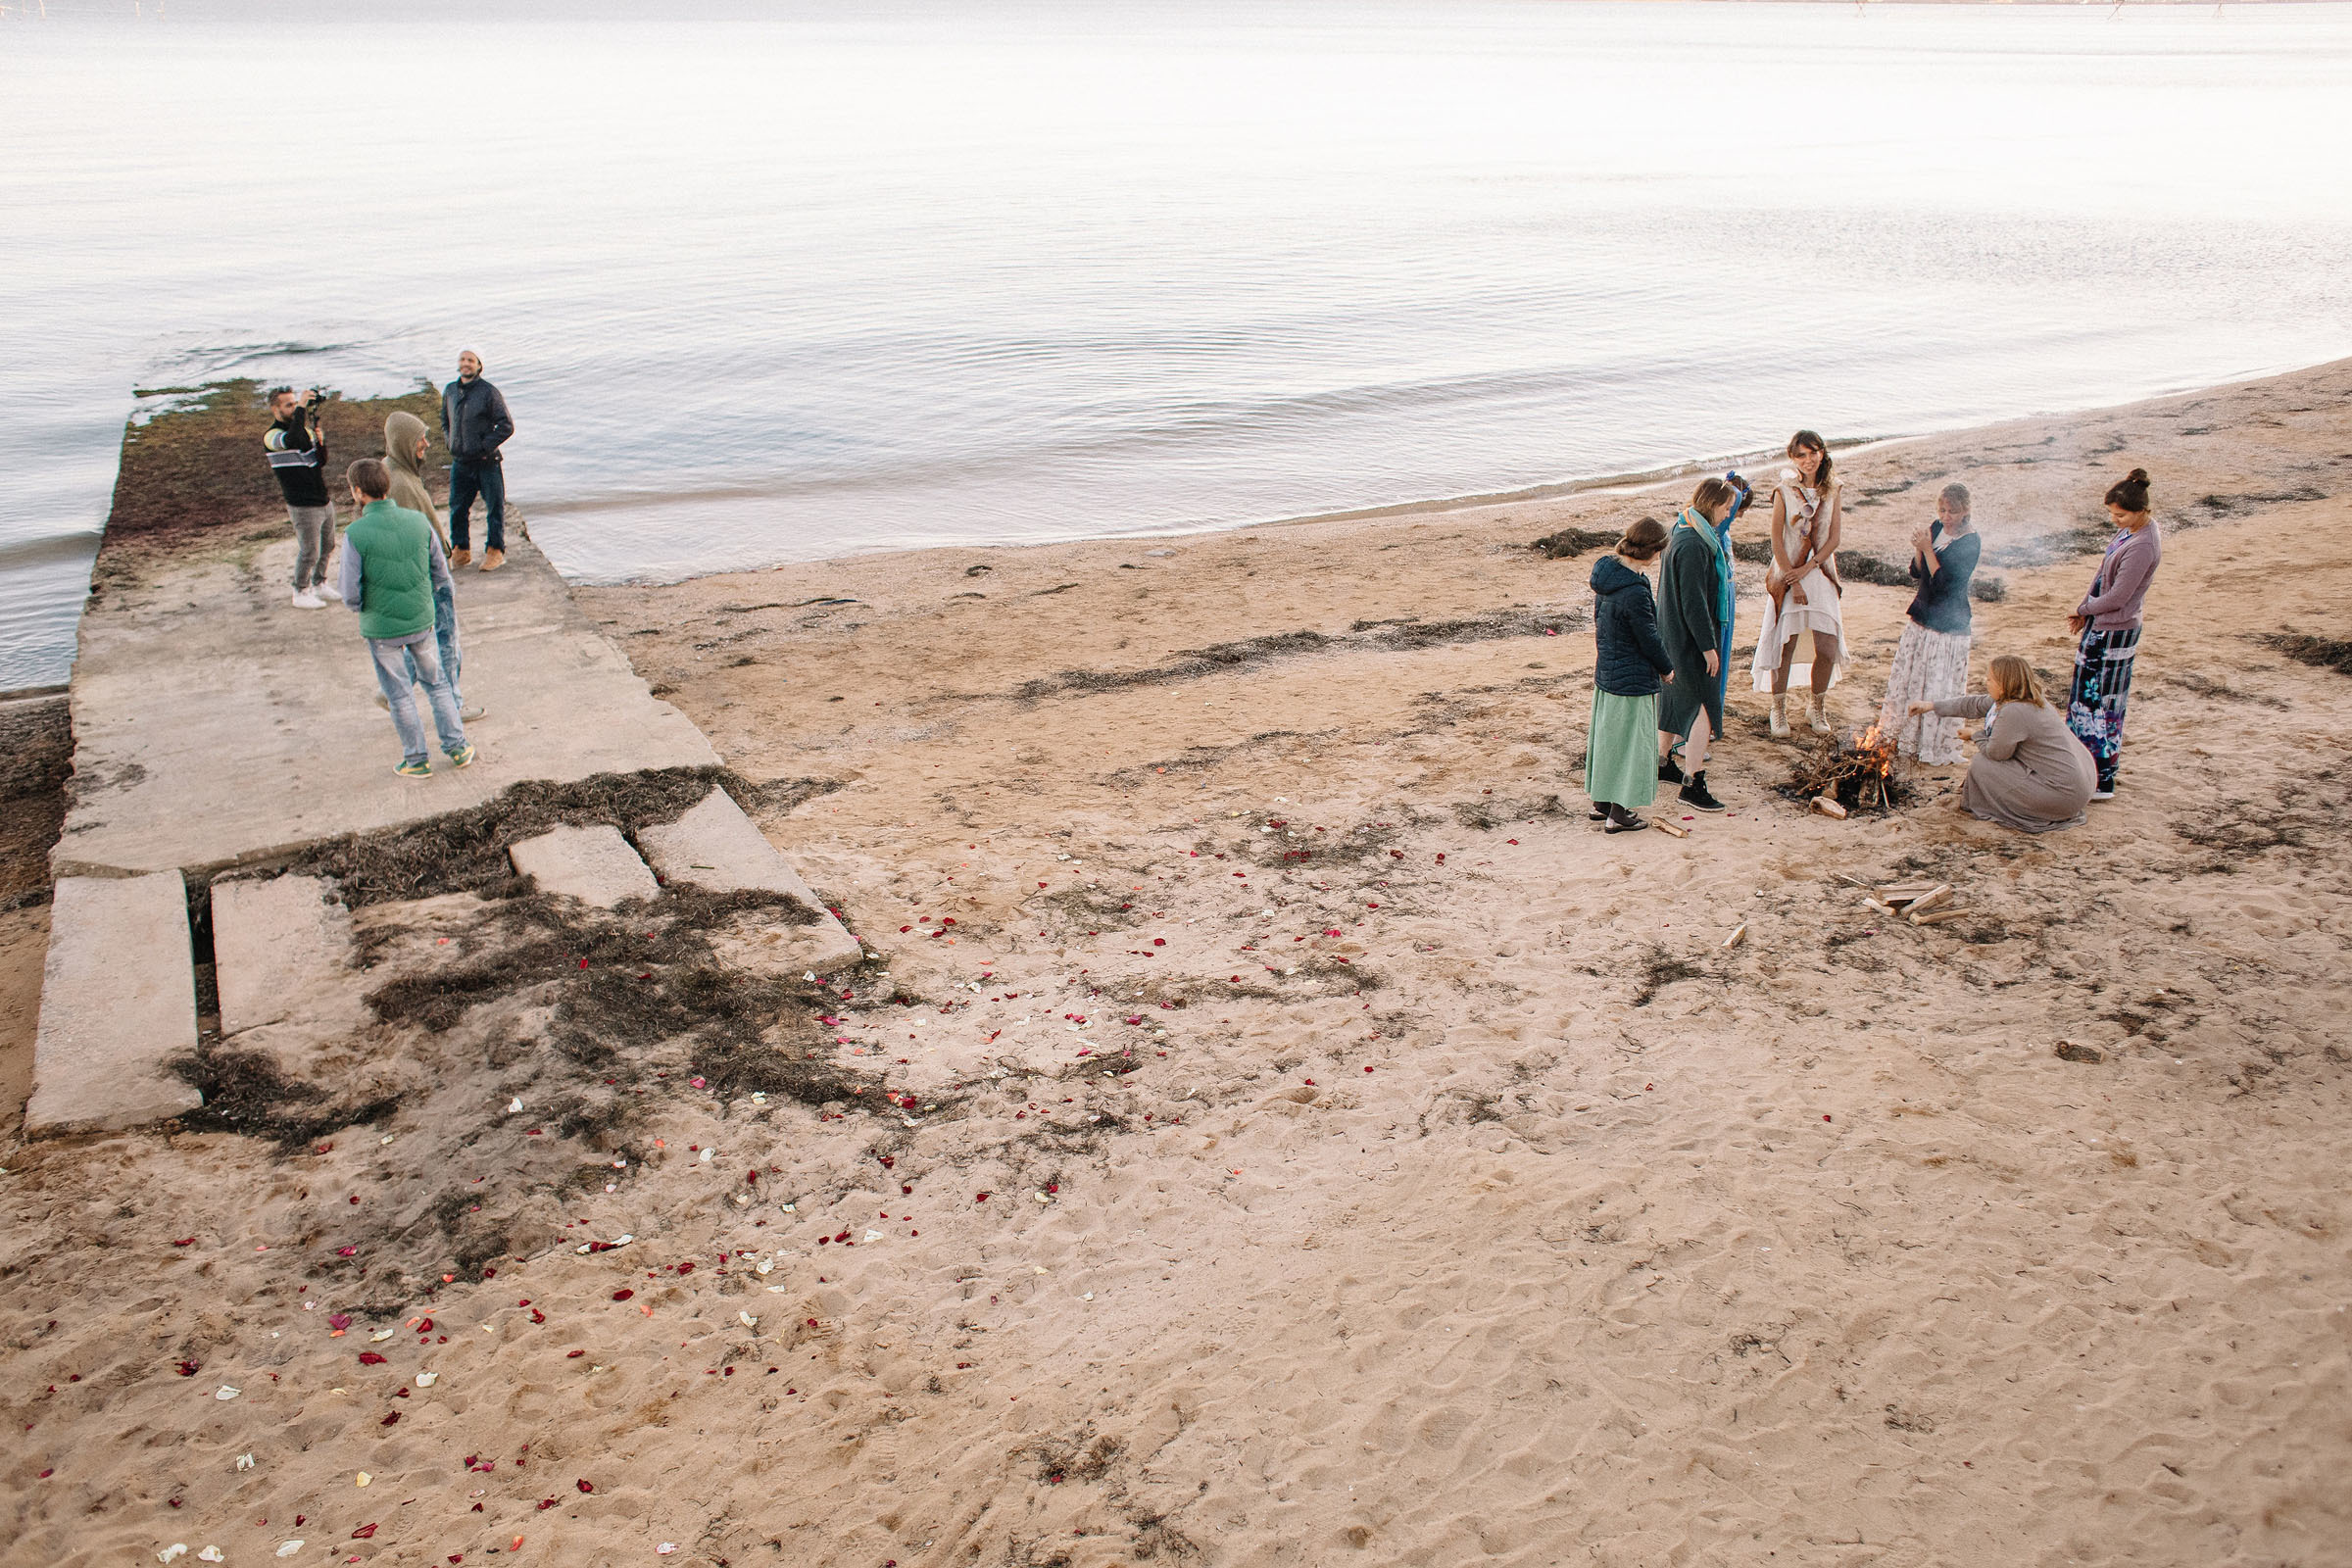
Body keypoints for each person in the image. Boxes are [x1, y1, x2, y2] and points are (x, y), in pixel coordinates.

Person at [336, 459, 475, 778]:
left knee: (399, 696)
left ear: (358, 492)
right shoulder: (418, 522)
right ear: (387, 486)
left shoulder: (355, 533)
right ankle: (458, 748)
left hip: (382, 629)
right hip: (421, 620)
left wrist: (365, 607)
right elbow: (441, 574)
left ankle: (416, 761)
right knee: (437, 685)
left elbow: (349, 593)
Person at [1909, 654, 2093, 833]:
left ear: (2004, 685)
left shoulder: (2014, 711)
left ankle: (2002, 807)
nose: (1986, 682)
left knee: (1982, 765)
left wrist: (1975, 735)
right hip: (2080, 785)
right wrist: (1931, 706)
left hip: (2063, 794)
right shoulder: (2029, 697)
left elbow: (1996, 753)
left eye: (1990, 679)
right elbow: (1974, 704)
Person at [2066, 467, 2161, 801]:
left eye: (2120, 515)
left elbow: (2119, 596)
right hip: (2099, 625)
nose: (2114, 520)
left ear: (2141, 511)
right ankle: (2081, 770)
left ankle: (2102, 778)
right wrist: (2083, 610)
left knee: (2101, 706)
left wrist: (2084, 610)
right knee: (2082, 701)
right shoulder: (2128, 534)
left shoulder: (2143, 545)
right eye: (2111, 514)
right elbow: (2101, 577)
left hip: (2115, 632)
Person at [383, 411, 485, 722]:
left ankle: (391, 690)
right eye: (420, 439)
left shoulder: (402, 472)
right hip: (427, 576)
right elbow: (406, 538)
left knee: (427, 642)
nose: (426, 443)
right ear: (404, 442)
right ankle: (453, 704)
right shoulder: (398, 482)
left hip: (428, 573)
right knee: (445, 642)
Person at [1876, 480, 1982, 764]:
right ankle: (1907, 737)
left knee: (1936, 684)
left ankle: (1932, 744)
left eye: (1952, 512)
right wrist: (1919, 548)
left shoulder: (1971, 542)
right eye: (1942, 510)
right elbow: (1916, 572)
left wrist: (1929, 549)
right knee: (1910, 679)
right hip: (1922, 616)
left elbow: (1945, 584)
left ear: (1965, 511)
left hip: (1948, 624)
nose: (1946, 516)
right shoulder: (1936, 528)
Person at [1585, 517, 1676, 834]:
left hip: (1608, 670)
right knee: (1632, 744)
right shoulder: (1634, 590)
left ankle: (1602, 802)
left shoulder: (1609, 575)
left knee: (1608, 740)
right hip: (1633, 677)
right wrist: (1666, 668)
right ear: (1652, 552)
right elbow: (1648, 637)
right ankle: (1619, 814)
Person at [1751, 430, 1844, 737]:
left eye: (1813, 452)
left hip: (1820, 571)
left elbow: (1833, 539)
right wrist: (1792, 574)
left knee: (1828, 647)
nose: (1808, 460)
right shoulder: (1784, 491)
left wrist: (1809, 568)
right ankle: (1778, 707)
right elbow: (1776, 539)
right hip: (1787, 571)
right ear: (1792, 458)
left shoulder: (1833, 488)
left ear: (1822, 452)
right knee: (1785, 644)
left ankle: (1816, 705)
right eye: (1801, 455)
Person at [1657, 478, 1739, 813]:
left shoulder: (1683, 528)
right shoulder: (1694, 543)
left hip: (1671, 632)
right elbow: (1694, 602)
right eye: (1724, 508)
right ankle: (1693, 782)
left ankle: (1662, 763)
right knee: (1703, 704)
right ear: (1711, 505)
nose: (1726, 515)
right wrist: (1708, 647)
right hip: (1688, 638)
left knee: (1673, 698)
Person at [263, 385, 343, 609]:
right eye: (288, 405)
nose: (294, 408)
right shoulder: (272, 436)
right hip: (301, 503)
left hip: (321, 498)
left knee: (327, 545)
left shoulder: (304, 431)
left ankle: (319, 582)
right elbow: (291, 440)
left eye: (294, 404)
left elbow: (319, 461)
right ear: (275, 409)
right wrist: (300, 407)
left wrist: (320, 442)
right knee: (309, 550)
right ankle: (300, 590)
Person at [441, 350, 514, 571]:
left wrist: (484, 445)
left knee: (494, 507)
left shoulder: (488, 392)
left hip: (486, 461)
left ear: (479, 365)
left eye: (471, 360)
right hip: (461, 461)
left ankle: (495, 551)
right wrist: (450, 442)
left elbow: (506, 425)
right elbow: (445, 420)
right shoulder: (450, 391)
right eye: (463, 360)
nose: (466, 364)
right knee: (457, 507)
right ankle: (460, 551)